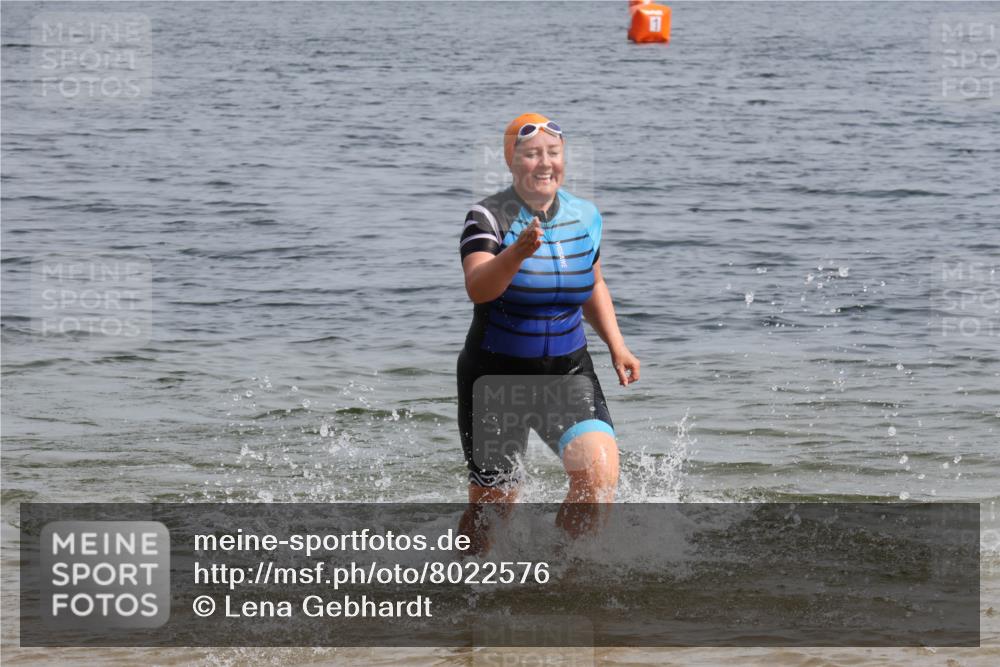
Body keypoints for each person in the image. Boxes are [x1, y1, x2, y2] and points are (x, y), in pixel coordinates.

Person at [456, 113, 640, 547]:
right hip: (495, 378)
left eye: (553, 153)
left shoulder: (586, 215)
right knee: (493, 508)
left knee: (598, 477)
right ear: (511, 162)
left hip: (567, 371)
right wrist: (515, 254)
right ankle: (458, 588)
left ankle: (565, 579)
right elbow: (478, 287)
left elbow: (592, 284)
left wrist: (617, 345)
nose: (544, 163)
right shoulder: (487, 217)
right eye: (531, 154)